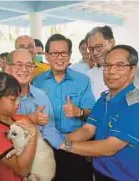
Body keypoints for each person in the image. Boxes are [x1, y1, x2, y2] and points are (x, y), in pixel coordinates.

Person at [45, 45, 139, 181]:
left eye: (120, 66)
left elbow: (110, 147)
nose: (111, 71)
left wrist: (62, 144)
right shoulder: (104, 99)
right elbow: (87, 130)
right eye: (107, 65)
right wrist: (55, 138)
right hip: (100, 172)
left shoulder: (134, 104)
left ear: (132, 70)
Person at [33, 34, 95, 181]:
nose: (59, 57)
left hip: (75, 145)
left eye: (64, 53)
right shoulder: (37, 81)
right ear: (47, 56)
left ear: (69, 55)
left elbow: (92, 114)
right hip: (46, 146)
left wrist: (79, 112)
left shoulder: (83, 80)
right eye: (54, 53)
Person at [0, 72, 39, 181]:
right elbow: (22, 169)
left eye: (19, 98)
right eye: (13, 99)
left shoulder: (20, 119)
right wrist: (33, 136)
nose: (18, 103)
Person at [4, 49, 55, 127]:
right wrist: (30, 119)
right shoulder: (0, 98)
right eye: (19, 65)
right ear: (7, 68)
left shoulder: (41, 95)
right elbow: (0, 130)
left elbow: (51, 129)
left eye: (29, 65)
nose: (24, 70)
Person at [86, 25, 115, 100]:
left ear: (111, 42)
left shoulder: (131, 71)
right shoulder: (87, 77)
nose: (95, 52)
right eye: (91, 49)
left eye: (98, 47)